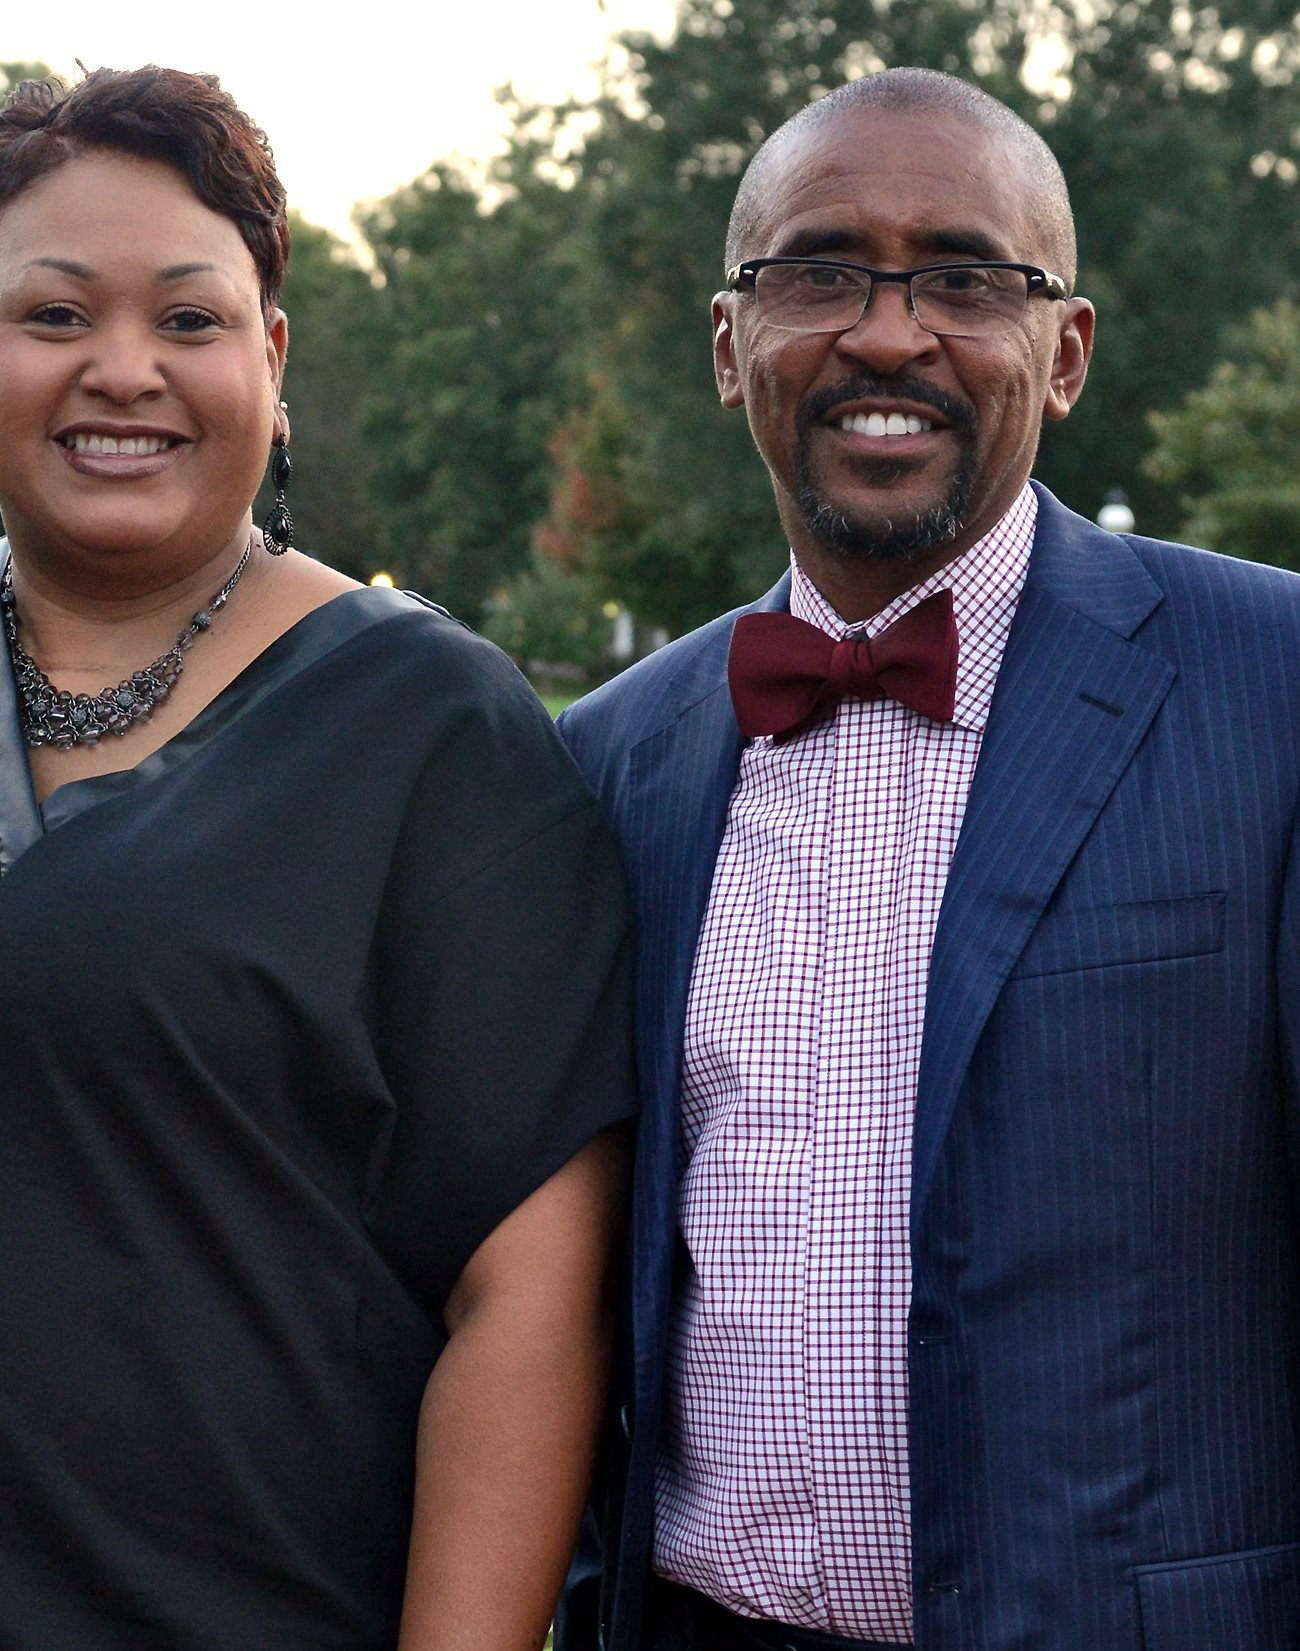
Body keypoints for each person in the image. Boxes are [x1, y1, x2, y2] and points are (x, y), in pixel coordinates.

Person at [0, 66, 634, 1651]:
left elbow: (527, 1304)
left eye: (188, 319)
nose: (122, 372)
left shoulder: (436, 733)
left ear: (272, 363)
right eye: (53, 316)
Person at [557, 66, 1300, 1651]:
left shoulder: (1277, 691)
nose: (888, 334)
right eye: (818, 271)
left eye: (967, 279)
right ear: (727, 342)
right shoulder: (606, 764)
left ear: (1068, 348)